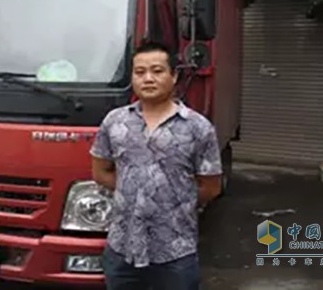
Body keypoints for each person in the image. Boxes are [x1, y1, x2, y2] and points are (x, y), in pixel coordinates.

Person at [90, 40, 223, 290]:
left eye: (157, 71)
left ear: (174, 76)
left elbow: (211, 186)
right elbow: (100, 172)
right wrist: (136, 191)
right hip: (122, 248)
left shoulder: (198, 128)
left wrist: (173, 200)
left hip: (175, 251)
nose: (148, 78)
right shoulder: (114, 122)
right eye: (140, 72)